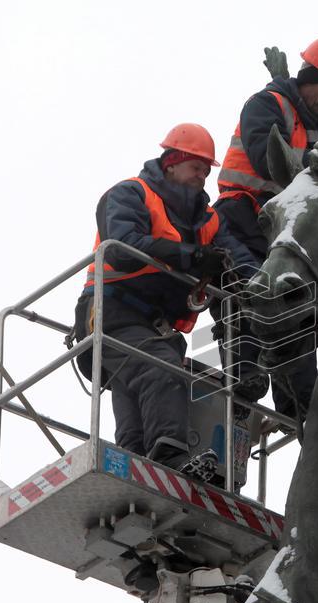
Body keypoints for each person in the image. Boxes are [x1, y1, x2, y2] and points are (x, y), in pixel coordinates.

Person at [74, 123, 257, 478]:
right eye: (196, 168)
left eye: (206, 172)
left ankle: (135, 460)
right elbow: (124, 247)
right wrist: (191, 257)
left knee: (133, 387)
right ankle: (169, 460)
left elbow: (237, 258)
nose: (201, 178)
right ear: (171, 162)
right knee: (160, 370)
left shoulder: (206, 219)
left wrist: (263, 283)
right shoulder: (131, 194)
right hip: (111, 310)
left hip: (155, 324)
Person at [214, 36, 318, 418]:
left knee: (294, 306)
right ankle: (246, 382)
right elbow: (268, 160)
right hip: (240, 215)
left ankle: (300, 403)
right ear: (312, 77)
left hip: (281, 225)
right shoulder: (266, 105)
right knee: (250, 294)